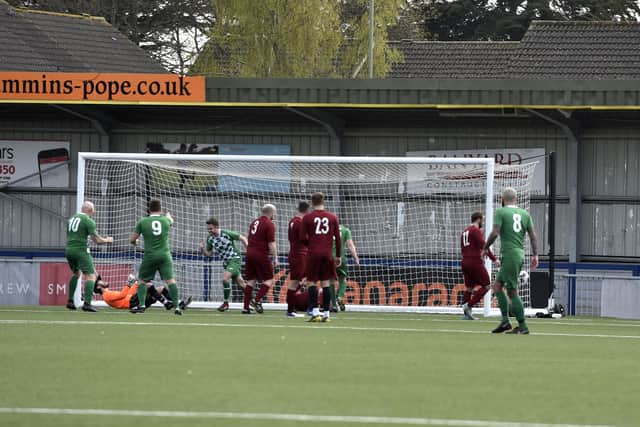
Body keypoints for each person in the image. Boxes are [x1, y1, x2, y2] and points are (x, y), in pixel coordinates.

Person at [483, 187, 539, 334]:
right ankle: (505, 322)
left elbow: (495, 232)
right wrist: (535, 255)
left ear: (502, 199)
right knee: (497, 286)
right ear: (516, 199)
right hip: (518, 254)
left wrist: (485, 248)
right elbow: (533, 236)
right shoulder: (524, 213)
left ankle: (523, 326)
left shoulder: (501, 212)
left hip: (509, 255)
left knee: (512, 292)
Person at [129, 199, 182, 315]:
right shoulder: (165, 220)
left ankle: (142, 305)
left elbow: (132, 239)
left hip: (150, 256)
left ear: (148, 210)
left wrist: (135, 242)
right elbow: (171, 221)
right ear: (160, 209)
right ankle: (177, 307)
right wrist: (168, 216)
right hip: (165, 255)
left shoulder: (143, 222)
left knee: (142, 281)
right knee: (171, 281)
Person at [64, 201, 113, 312]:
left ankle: (70, 301)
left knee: (76, 273)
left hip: (69, 250)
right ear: (90, 210)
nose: (94, 212)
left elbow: (70, 235)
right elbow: (97, 241)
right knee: (91, 277)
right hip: (81, 250)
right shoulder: (88, 221)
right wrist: (107, 240)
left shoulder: (71, 219)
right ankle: (87, 303)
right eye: (93, 210)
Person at [300, 192, 341, 323]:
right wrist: (338, 255)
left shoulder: (307, 218)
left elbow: (302, 238)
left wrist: (311, 244)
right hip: (327, 254)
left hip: (313, 254)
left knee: (311, 282)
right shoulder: (332, 217)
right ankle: (327, 314)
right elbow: (338, 239)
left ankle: (315, 312)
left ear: (312, 203)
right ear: (323, 201)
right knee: (326, 283)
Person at [199, 218, 248, 312]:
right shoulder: (210, 238)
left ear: (217, 227)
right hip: (226, 262)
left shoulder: (226, 233)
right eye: (208, 229)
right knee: (241, 284)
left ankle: (226, 303)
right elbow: (209, 254)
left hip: (235, 259)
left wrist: (248, 249)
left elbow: (243, 238)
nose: (209, 231)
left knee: (225, 278)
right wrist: (202, 249)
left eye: (211, 229)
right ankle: (254, 301)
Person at [460, 211, 499, 320]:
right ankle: (469, 305)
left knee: (469, 288)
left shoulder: (465, 231)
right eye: (482, 219)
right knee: (487, 286)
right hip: (474, 262)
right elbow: (484, 246)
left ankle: (466, 315)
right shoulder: (475, 231)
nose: (483, 222)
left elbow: (466, 248)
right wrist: (494, 259)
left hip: (465, 262)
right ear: (478, 219)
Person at [243, 204, 278, 314]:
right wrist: (275, 257)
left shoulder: (254, 222)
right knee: (269, 279)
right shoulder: (269, 224)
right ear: (271, 213)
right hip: (260, 254)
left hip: (249, 253)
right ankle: (256, 300)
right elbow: (271, 243)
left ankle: (245, 307)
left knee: (251, 281)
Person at [94, 274, 192, 311]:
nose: (102, 280)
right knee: (148, 286)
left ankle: (179, 304)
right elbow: (123, 295)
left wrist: (136, 284)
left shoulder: (108, 293)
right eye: (100, 281)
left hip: (134, 300)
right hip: (133, 303)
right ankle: (166, 303)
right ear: (98, 286)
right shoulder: (106, 295)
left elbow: (127, 295)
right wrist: (128, 283)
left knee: (160, 289)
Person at [286, 201, 310, 317]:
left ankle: (292, 306)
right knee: (295, 281)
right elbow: (304, 239)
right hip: (299, 254)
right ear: (307, 210)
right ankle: (290, 310)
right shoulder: (300, 222)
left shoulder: (293, 220)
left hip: (296, 253)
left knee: (304, 278)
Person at [330, 224, 359, 312]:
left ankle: (333, 305)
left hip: (329, 258)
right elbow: (350, 245)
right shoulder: (346, 230)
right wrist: (356, 258)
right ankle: (339, 297)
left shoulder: (327, 229)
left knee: (330, 281)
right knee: (342, 279)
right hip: (340, 258)